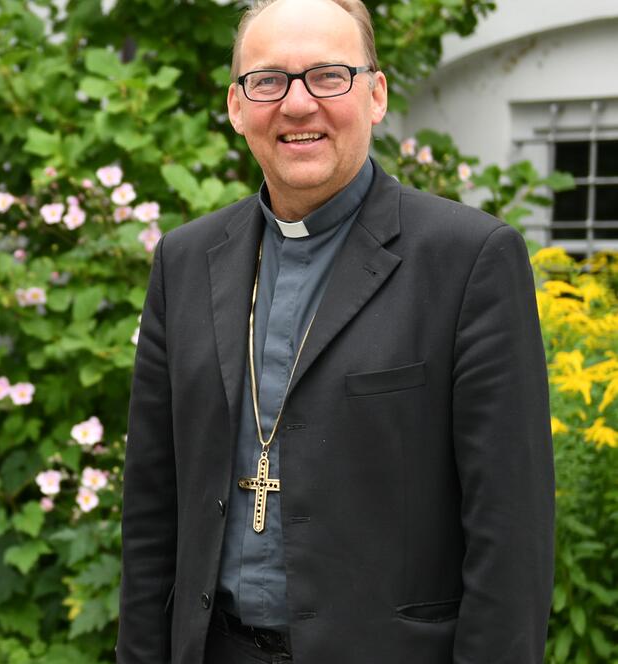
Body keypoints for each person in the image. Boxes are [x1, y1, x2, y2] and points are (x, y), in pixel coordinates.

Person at [117, 0, 554, 662]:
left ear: (376, 95)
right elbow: (150, 512)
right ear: (237, 107)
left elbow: (510, 539)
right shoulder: (185, 262)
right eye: (268, 80)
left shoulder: (468, 261)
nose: (296, 105)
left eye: (328, 75)